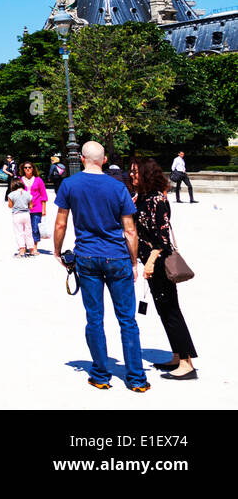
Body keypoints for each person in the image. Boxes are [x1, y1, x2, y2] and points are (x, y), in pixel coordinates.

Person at [53, 141, 149, 393]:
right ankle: (136, 378)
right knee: (127, 320)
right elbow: (130, 230)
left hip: (86, 256)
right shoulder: (118, 187)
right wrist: (134, 261)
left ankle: (100, 374)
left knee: (94, 319)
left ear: (83, 159)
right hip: (116, 256)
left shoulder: (69, 185)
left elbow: (61, 223)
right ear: (104, 160)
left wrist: (57, 251)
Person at [130, 159, 198, 380]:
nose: (132, 176)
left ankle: (187, 364)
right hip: (150, 262)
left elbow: (162, 240)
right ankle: (177, 355)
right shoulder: (142, 198)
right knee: (163, 310)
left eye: (135, 172)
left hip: (158, 262)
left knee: (171, 311)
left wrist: (149, 262)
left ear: (146, 174)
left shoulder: (157, 199)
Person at [5, 177, 37, 258]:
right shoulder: (28, 194)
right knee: (28, 232)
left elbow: (10, 206)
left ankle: (22, 251)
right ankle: (32, 251)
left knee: (19, 233)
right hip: (26, 214)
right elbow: (31, 206)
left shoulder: (11, 194)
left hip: (17, 215)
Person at [23, 162, 46, 247]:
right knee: (25, 228)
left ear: (33, 168)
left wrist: (44, 209)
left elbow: (43, 195)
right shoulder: (20, 180)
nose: (27, 169)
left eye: (29, 167)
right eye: (25, 168)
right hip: (24, 207)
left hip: (37, 207)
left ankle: (34, 246)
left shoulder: (38, 180)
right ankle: (24, 245)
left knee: (35, 228)